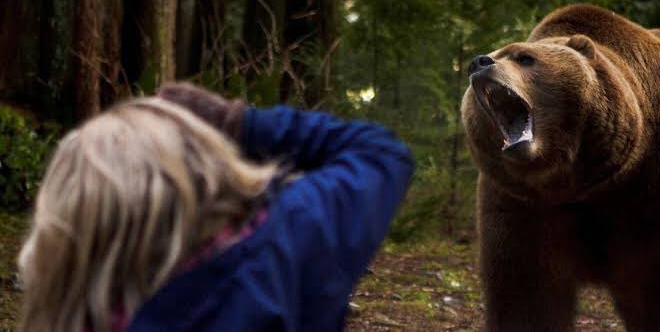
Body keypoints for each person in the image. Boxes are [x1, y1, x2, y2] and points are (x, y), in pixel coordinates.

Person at [17, 83, 415, 332]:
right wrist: (239, 122)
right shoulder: (287, 243)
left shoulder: (75, 311)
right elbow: (381, 153)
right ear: (206, 167)